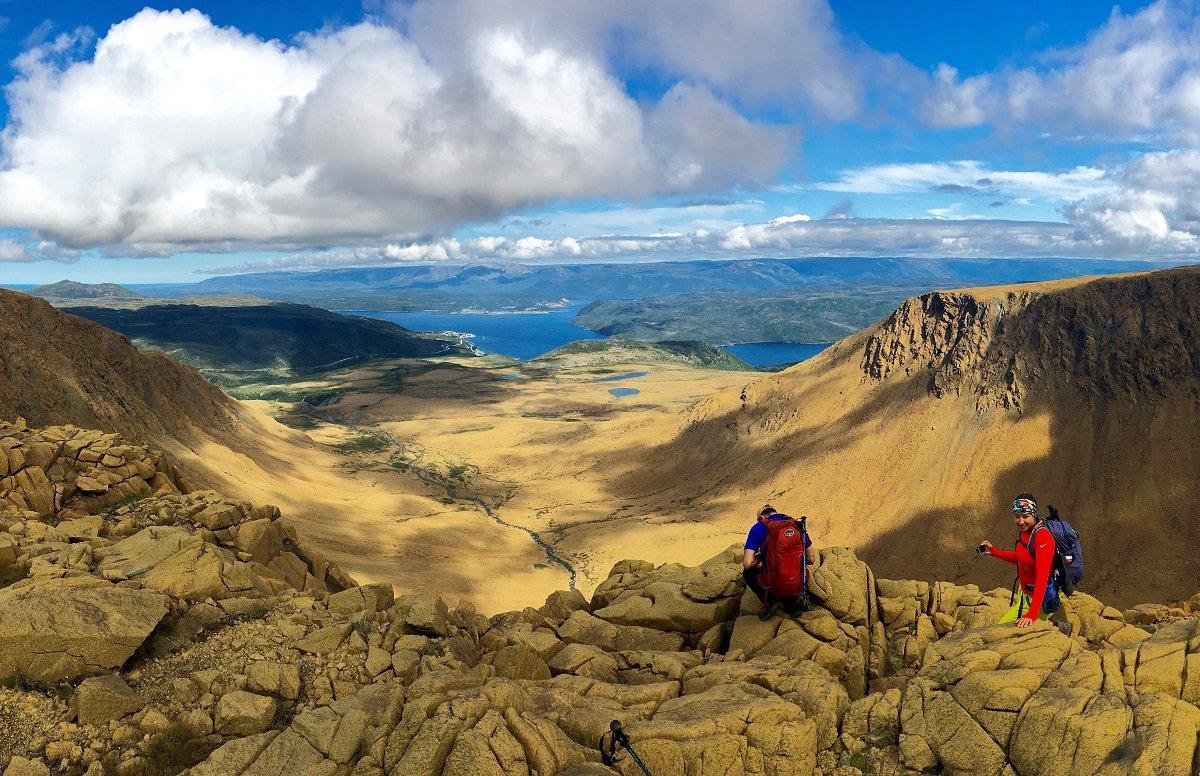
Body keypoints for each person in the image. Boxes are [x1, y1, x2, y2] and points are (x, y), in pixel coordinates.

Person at [979, 493, 1060, 629]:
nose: (1021, 521)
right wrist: (994, 552)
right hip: (1025, 593)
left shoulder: (1042, 537)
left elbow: (1042, 577)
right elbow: (1021, 558)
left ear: (1033, 514)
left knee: (1001, 629)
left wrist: (1032, 614)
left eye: (1025, 516)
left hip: (1040, 597)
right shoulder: (1026, 532)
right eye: (1017, 516)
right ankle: (1057, 625)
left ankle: (1059, 628)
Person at [743, 505, 816, 620]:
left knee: (748, 572)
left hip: (774, 586)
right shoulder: (796, 524)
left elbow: (747, 563)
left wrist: (764, 556)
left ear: (761, 517)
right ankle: (795, 601)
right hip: (797, 585)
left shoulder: (759, 527)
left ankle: (771, 602)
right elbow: (811, 559)